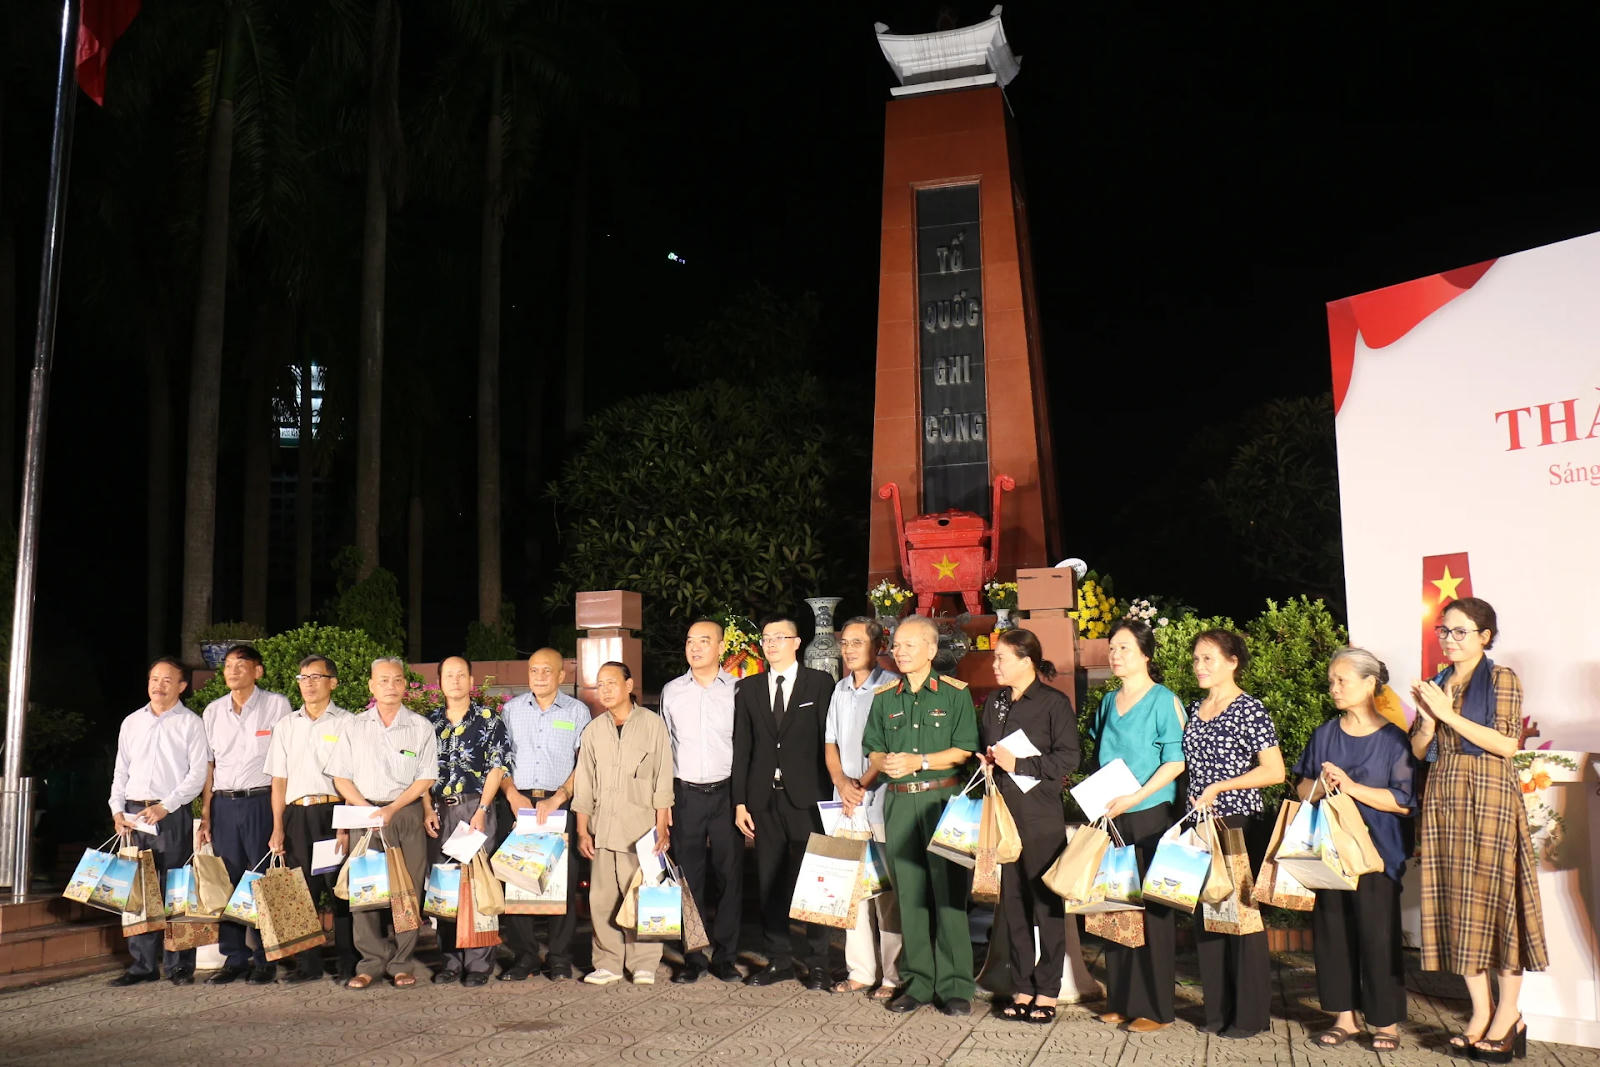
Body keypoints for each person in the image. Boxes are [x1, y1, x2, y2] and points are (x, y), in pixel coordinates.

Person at [1409, 597, 1546, 1060]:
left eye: (1460, 631)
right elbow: (1421, 750)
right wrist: (1429, 720)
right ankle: (1481, 1012)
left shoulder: (1502, 677)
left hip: (1489, 796)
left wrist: (1448, 714)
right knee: (1459, 905)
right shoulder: (1437, 683)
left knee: (1497, 903)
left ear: (1485, 636)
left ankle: (1509, 1014)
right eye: (1444, 631)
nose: (1449, 640)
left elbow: (1506, 744)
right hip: (1444, 795)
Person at [1296, 646, 1415, 1051]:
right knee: (1333, 933)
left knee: (1378, 936)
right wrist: (1320, 787)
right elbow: (1301, 786)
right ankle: (1343, 1017)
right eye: (1331, 681)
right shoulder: (1324, 735)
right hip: (1329, 852)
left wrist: (1351, 786)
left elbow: (1404, 801)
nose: (1334, 688)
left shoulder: (1395, 740)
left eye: (1342, 681)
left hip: (1378, 853)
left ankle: (1385, 1022)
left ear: (1369, 684)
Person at [862, 614, 981, 1016]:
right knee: (908, 895)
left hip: (941, 801)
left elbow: (964, 749)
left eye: (908, 645)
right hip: (898, 803)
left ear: (931, 650)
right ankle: (917, 982)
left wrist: (920, 761)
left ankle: (956, 985)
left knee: (949, 894)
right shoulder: (884, 698)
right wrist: (886, 762)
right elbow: (873, 749)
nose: (899, 652)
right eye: (896, 645)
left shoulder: (954, 694)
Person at [1182, 628, 1284, 1038]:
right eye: (1196, 659)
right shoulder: (1195, 708)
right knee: (1207, 916)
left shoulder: (1249, 709)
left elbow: (1274, 771)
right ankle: (1217, 1012)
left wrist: (1221, 787)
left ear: (1232, 662)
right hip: (1199, 825)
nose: (1199, 666)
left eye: (1208, 658)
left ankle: (1249, 1016)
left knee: (1240, 917)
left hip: (1235, 823)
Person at [732, 614, 837, 990]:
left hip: (809, 798)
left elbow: (829, 740)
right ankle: (778, 960)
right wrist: (741, 802)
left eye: (779, 637)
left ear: (796, 642)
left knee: (816, 879)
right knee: (769, 880)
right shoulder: (749, 688)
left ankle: (819, 963)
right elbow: (743, 747)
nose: (771, 643)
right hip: (764, 799)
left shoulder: (820, 683)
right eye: (766, 638)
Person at [981, 628, 1079, 1024]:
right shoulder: (995, 702)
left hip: (1040, 816)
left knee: (1046, 903)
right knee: (1014, 904)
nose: (995, 664)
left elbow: (1069, 758)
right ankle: (1021, 985)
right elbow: (989, 748)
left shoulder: (1054, 703)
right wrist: (987, 761)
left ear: (1026, 661)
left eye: (1001, 658)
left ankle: (1048, 989)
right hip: (1004, 816)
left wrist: (1020, 764)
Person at [1094, 619, 1187, 1033]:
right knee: (1116, 905)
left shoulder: (1163, 700)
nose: (1115, 655)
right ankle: (1121, 999)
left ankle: (1155, 1008)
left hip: (1150, 812)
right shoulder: (1107, 701)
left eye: (1125, 648)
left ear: (1146, 654)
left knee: (1152, 913)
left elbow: (1176, 761)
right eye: (1112, 648)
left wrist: (1135, 797)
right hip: (1112, 815)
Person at [328, 656, 438, 990]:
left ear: (405, 685)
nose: (391, 686)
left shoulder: (420, 726)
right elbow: (340, 777)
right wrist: (367, 809)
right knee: (366, 892)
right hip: (365, 816)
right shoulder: (354, 726)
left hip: (405, 814)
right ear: (372, 686)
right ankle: (370, 963)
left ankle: (402, 963)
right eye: (383, 680)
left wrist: (392, 808)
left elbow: (426, 778)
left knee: (408, 891)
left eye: (397, 680)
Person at [107, 658, 209, 986]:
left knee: (178, 888)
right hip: (134, 815)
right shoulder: (132, 722)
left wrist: (166, 806)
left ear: (182, 686)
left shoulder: (191, 723)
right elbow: (121, 770)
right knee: (138, 891)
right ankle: (143, 966)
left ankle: (180, 967)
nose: (158, 686)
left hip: (171, 814)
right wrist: (117, 810)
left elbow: (197, 774)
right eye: (154, 679)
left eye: (167, 680)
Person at [573, 661, 674, 986]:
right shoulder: (593, 731)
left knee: (643, 896)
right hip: (603, 829)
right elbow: (584, 785)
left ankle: (644, 963)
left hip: (640, 830)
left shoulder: (653, 725)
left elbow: (663, 779)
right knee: (602, 901)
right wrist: (582, 829)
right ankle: (608, 963)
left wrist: (662, 825)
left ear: (629, 685)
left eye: (611, 683)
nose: (604, 689)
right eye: (600, 684)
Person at [200, 644, 292, 985]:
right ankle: (235, 957)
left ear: (258, 671)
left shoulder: (276, 705)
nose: (233, 671)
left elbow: (283, 764)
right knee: (228, 879)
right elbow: (209, 766)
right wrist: (206, 813)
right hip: (223, 805)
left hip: (261, 802)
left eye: (241, 665)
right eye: (228, 666)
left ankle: (267, 957)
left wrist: (279, 820)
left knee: (262, 879)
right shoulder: (213, 711)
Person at [496, 647, 588, 981]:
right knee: (517, 879)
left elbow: (584, 763)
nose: (540, 676)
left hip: (559, 802)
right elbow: (499, 759)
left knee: (562, 881)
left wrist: (559, 797)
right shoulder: (511, 710)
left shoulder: (577, 711)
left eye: (547, 670)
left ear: (561, 675)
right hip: (518, 802)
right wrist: (511, 794)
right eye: (534, 670)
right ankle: (525, 956)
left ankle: (560, 957)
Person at [659, 619, 743, 984]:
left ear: (721, 647)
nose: (695, 647)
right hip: (686, 795)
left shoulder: (738, 690)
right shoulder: (672, 691)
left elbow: (746, 746)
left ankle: (726, 957)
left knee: (730, 877)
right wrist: (663, 803)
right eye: (690, 641)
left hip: (727, 793)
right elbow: (664, 749)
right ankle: (693, 957)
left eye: (704, 641)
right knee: (688, 879)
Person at [265, 653, 358, 982]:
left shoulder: (348, 723)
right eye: (303, 678)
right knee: (299, 891)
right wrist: (278, 827)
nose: (308, 683)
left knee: (340, 891)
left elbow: (354, 777)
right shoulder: (286, 725)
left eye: (316, 677)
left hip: (334, 813)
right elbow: (279, 781)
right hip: (297, 816)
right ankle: (308, 965)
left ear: (333, 683)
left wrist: (345, 825)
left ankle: (349, 962)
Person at [824, 617, 902, 999]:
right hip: (846, 804)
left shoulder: (891, 687)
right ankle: (859, 971)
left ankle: (894, 975)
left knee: (887, 893)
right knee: (851, 889)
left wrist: (861, 785)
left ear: (877, 647)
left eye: (857, 642)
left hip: (880, 801)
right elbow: (830, 744)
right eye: (845, 643)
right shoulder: (840, 689)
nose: (849, 649)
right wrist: (843, 784)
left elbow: (888, 748)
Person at [422, 656, 511, 986]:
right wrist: (426, 809)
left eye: (461, 675)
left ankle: (479, 962)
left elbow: (498, 766)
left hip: (475, 807)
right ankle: (449, 960)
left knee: (478, 885)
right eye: (449, 675)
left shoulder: (488, 719)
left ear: (471, 681)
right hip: (439, 811)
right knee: (444, 885)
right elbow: (420, 772)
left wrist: (483, 809)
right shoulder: (429, 723)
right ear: (440, 682)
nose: (456, 680)